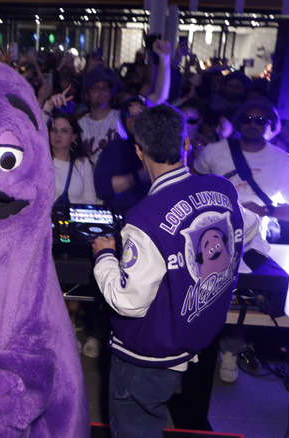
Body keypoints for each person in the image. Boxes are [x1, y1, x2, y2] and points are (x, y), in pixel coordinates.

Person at [91, 104, 245, 438]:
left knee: (136, 427)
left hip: (147, 355)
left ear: (138, 151)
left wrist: (104, 256)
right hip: (194, 336)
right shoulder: (224, 189)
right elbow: (250, 228)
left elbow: (128, 302)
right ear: (187, 144)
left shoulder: (143, 218)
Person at [193, 96, 289, 383]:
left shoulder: (283, 162)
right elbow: (194, 181)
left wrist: (267, 209)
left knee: (239, 297)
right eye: (247, 118)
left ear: (272, 126)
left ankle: (230, 350)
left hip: (253, 244)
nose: (253, 125)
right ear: (238, 121)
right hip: (209, 237)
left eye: (261, 120)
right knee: (201, 292)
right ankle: (194, 346)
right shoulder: (215, 151)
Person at [94, 95, 152, 209]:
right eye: (129, 114)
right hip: (120, 217)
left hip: (152, 217)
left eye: (140, 114)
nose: (133, 119)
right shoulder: (114, 148)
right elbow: (102, 188)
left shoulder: (158, 149)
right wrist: (138, 176)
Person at [48, 111, 97, 204]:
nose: (58, 135)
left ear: (73, 137)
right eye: (54, 130)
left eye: (64, 131)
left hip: (76, 216)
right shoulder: (42, 160)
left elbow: (90, 199)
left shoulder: (82, 162)